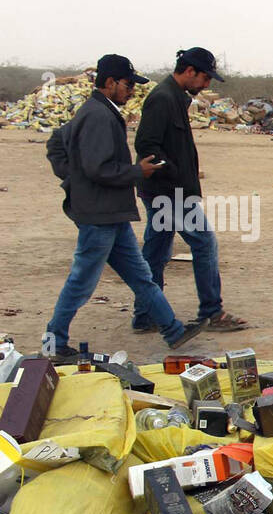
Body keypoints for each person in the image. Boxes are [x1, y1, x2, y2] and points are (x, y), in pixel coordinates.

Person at [44, 55, 204, 362]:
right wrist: (135, 172)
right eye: (128, 84)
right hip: (99, 215)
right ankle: (53, 343)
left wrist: (73, 176)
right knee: (81, 282)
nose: (132, 90)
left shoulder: (99, 111)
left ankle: (173, 330)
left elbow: (59, 143)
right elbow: (97, 168)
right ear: (109, 83)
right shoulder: (98, 116)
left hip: (111, 213)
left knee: (141, 276)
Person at [133, 47, 248, 334]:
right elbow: (147, 146)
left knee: (156, 252)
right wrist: (174, 173)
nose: (207, 84)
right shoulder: (163, 98)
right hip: (168, 192)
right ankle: (211, 312)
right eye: (205, 77)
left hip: (165, 190)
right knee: (204, 242)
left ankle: (146, 314)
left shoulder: (175, 97)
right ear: (189, 71)